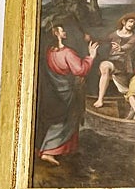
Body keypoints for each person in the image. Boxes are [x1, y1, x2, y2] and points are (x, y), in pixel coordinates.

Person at [36, 24, 100, 166]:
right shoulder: (67, 53)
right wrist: (91, 56)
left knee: (68, 120)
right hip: (68, 92)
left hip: (57, 90)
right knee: (66, 121)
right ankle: (48, 151)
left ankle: (65, 149)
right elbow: (80, 70)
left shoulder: (50, 52)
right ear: (56, 34)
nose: (64, 31)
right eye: (61, 30)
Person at [94, 13, 135, 108]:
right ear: (124, 22)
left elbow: (129, 47)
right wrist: (91, 39)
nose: (132, 24)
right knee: (104, 66)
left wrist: (120, 48)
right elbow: (103, 41)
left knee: (125, 91)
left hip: (123, 64)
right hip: (111, 61)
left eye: (134, 22)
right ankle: (100, 99)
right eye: (130, 21)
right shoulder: (114, 34)